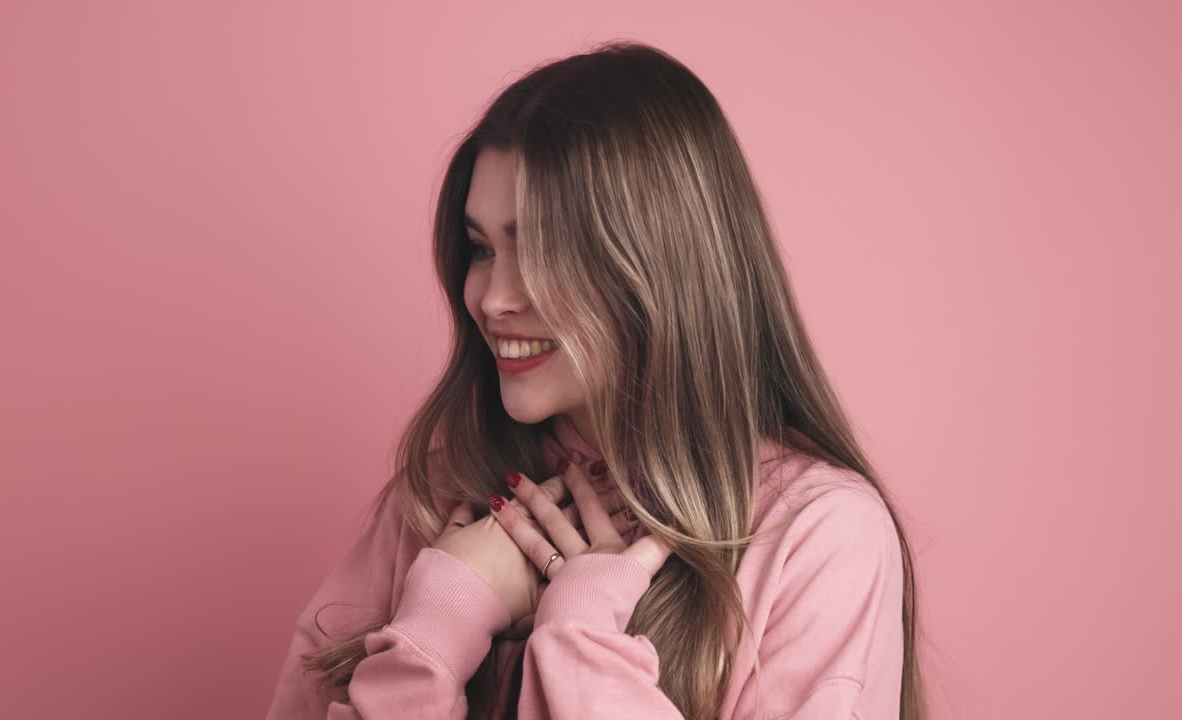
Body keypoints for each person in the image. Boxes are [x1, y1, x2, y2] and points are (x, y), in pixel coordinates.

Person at [264, 40, 927, 719]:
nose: (491, 299)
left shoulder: (815, 534)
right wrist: (434, 628)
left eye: (545, 250)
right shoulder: (441, 497)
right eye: (481, 249)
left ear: (659, 264)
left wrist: (579, 638)